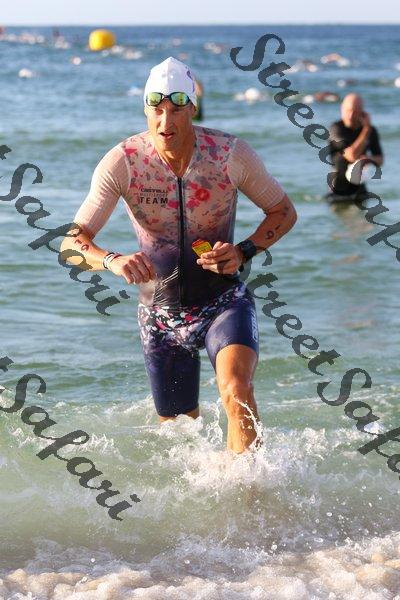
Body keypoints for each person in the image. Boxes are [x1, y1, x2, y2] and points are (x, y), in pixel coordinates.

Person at [60, 57, 297, 454]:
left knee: (237, 391)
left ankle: (252, 488)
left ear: (193, 109)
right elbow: (71, 241)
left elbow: (283, 212)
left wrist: (243, 251)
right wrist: (111, 260)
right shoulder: (125, 161)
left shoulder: (229, 155)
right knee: (180, 439)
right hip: (160, 317)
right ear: (145, 109)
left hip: (223, 301)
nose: (165, 121)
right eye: (156, 109)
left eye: (176, 109)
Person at [326, 93, 383, 203]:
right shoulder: (336, 129)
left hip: (360, 189)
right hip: (338, 189)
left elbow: (380, 160)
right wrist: (366, 130)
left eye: (355, 111)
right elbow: (351, 155)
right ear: (342, 109)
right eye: (348, 111)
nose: (351, 115)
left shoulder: (371, 131)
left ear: (362, 112)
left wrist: (368, 159)